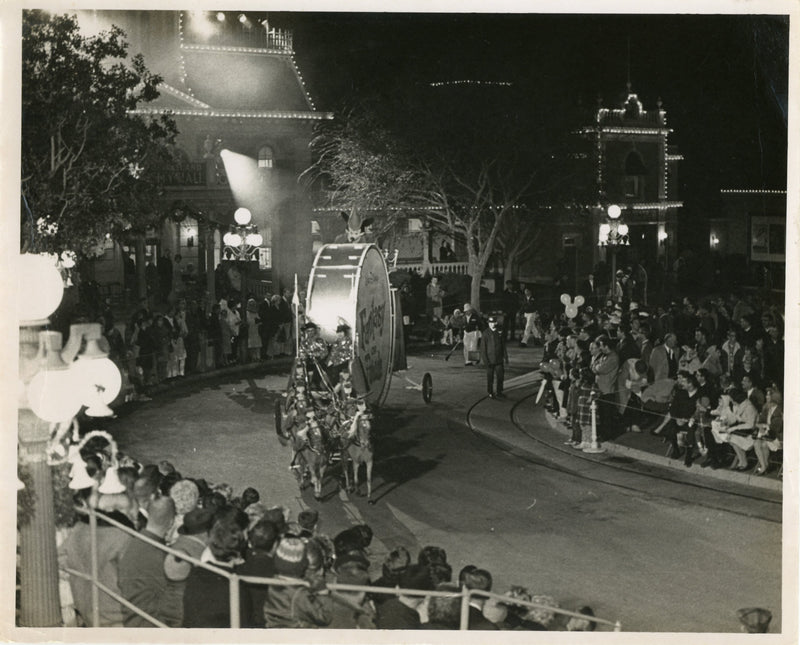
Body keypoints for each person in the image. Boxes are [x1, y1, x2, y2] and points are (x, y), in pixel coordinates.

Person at [117, 496, 180, 627]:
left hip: (131, 618)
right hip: (150, 626)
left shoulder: (132, 543)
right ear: (171, 522)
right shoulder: (160, 557)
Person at [752, 387, 783, 475]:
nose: (766, 397)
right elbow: (759, 422)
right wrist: (761, 426)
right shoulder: (766, 408)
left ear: (774, 398)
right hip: (768, 435)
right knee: (756, 444)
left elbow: (776, 428)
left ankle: (764, 467)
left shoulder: (780, 411)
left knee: (763, 444)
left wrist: (765, 427)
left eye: (768, 395)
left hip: (777, 437)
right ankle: (764, 465)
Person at [480, 316, 508, 399]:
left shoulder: (499, 332)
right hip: (490, 360)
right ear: (488, 323)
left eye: (493, 323)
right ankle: (490, 392)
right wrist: (486, 361)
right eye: (490, 323)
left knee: (500, 376)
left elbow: (503, 345)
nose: (492, 324)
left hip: (499, 359)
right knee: (490, 377)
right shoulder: (485, 333)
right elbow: (483, 348)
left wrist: (505, 357)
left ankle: (499, 391)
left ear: (496, 323)